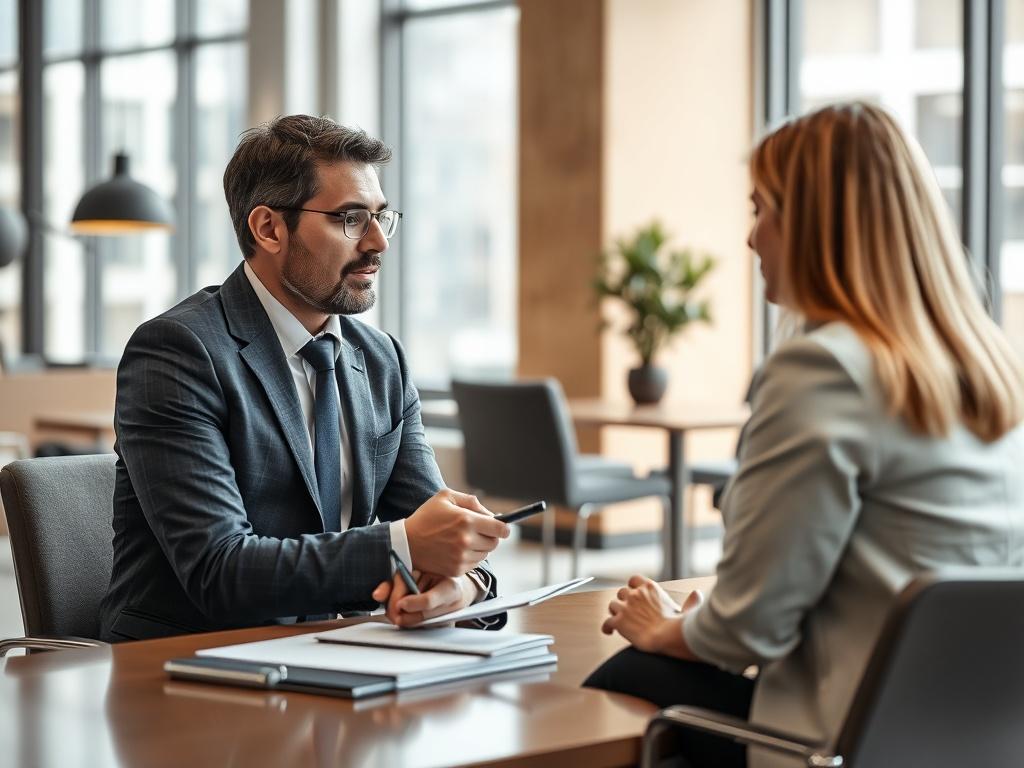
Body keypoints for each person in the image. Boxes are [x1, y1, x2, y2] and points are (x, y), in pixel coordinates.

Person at [585, 101, 1024, 768]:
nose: (751, 237)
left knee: (623, 676)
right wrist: (718, 617)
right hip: (974, 740)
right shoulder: (981, 366)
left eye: (762, 209)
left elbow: (749, 633)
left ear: (816, 225)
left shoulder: (822, 368)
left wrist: (666, 627)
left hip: (845, 740)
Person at [99, 115, 510, 642]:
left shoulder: (382, 360)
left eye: (383, 217)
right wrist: (402, 546)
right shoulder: (178, 352)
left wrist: (462, 584)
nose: (379, 243)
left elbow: (435, 529)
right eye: (351, 219)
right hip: (186, 670)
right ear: (269, 228)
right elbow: (219, 573)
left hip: (330, 658)